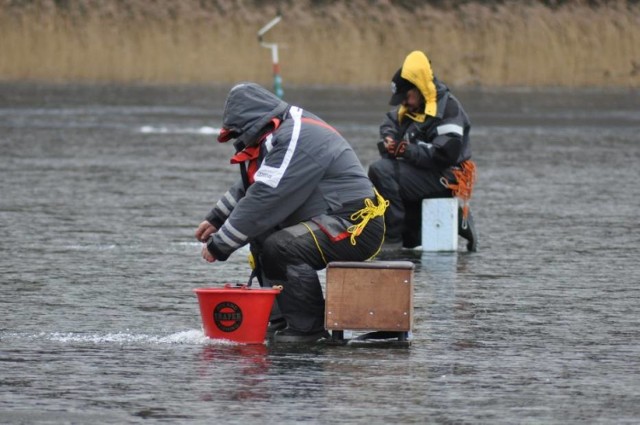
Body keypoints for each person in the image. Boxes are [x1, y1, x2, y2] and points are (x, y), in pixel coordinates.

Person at [195, 82, 387, 343]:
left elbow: (265, 197)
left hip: (354, 224)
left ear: (252, 124)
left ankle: (307, 330)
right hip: (330, 218)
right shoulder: (282, 132)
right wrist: (217, 217)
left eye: (237, 134)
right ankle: (280, 320)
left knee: (281, 246)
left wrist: (221, 245)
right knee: (262, 236)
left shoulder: (296, 136)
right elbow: (255, 183)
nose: (237, 141)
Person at [368, 50, 478, 251]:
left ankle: (391, 240)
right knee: (410, 238)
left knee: (381, 171)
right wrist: (389, 138)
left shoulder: (449, 110)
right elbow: (390, 120)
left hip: (445, 176)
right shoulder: (414, 107)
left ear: (419, 89)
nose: (404, 103)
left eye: (406, 96)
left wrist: (406, 150)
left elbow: (445, 154)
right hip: (424, 173)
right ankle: (451, 227)